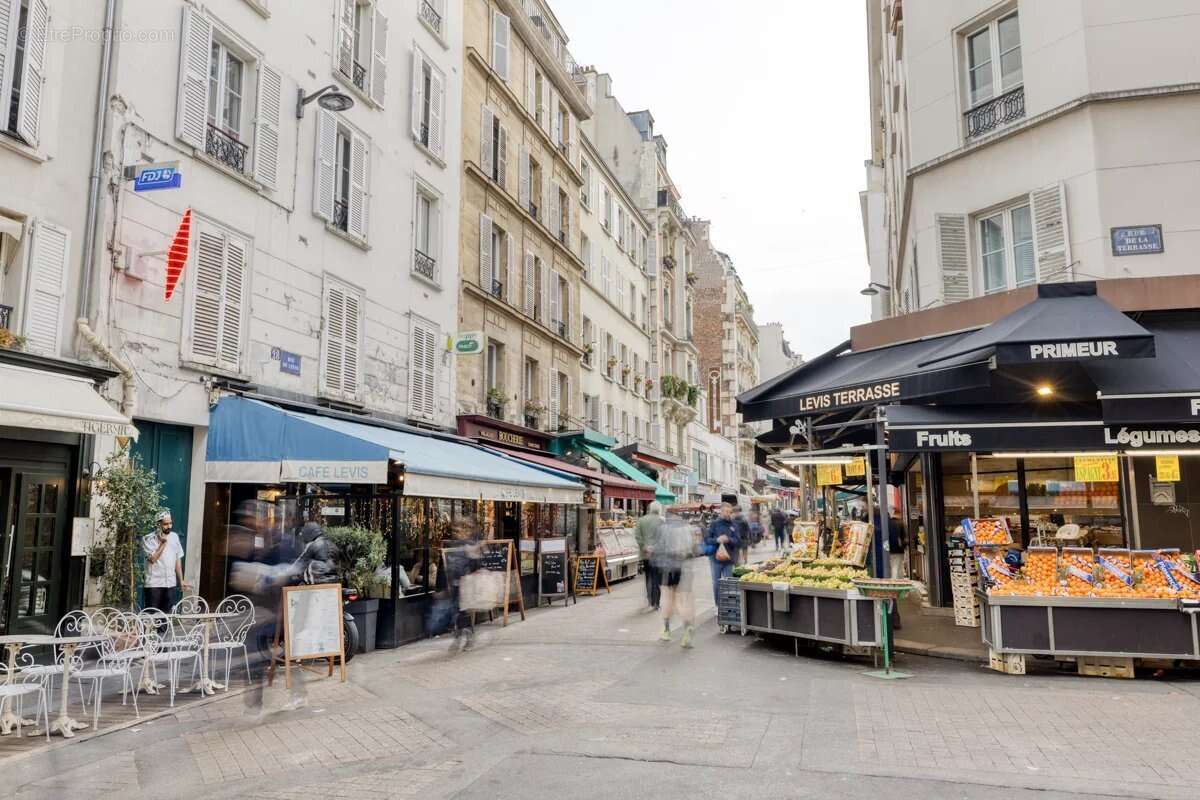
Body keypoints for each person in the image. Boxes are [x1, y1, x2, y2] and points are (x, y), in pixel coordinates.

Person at [654, 514, 696, 647]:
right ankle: (687, 627)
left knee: (667, 599)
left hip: (667, 569)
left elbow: (659, 548)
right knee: (682, 599)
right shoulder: (687, 529)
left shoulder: (663, 529)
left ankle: (666, 630)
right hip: (684, 568)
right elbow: (694, 549)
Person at [142, 510, 189, 610]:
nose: (169, 526)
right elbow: (152, 559)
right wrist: (163, 543)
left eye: (170, 523)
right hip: (154, 584)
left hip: (170, 583)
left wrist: (181, 580)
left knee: (166, 618)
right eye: (166, 524)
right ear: (158, 524)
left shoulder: (175, 537)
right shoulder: (148, 539)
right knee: (152, 617)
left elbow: (177, 561)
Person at [704, 503, 740, 609]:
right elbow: (707, 539)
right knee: (717, 582)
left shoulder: (734, 524)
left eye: (730, 512)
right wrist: (717, 540)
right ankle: (718, 606)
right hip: (715, 558)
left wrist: (729, 540)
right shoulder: (714, 524)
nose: (728, 514)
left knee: (729, 582)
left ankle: (729, 606)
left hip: (729, 558)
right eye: (726, 511)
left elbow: (738, 541)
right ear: (721, 511)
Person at [634, 502, 664, 610]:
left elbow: (637, 536)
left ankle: (650, 601)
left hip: (645, 554)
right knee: (657, 578)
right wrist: (655, 548)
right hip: (657, 554)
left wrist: (645, 547)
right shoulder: (661, 521)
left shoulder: (641, 520)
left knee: (648, 577)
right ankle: (657, 603)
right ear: (658, 510)